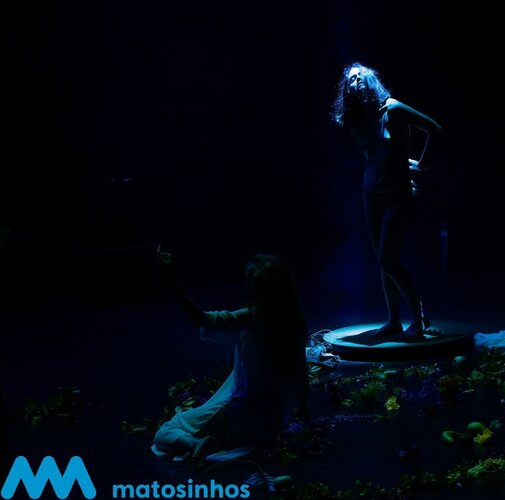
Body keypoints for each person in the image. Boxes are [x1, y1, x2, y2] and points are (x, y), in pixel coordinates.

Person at [151, 251, 309, 460]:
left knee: (164, 433)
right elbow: (301, 375)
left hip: (241, 409)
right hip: (271, 417)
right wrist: (303, 410)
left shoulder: (251, 318)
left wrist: (170, 281)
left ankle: (195, 443)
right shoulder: (294, 323)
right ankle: (210, 441)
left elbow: (200, 319)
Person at [331, 62, 442, 338]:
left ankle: (419, 317)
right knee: (383, 261)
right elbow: (375, 156)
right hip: (371, 195)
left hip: (398, 194)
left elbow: (434, 129)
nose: (354, 81)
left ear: (369, 80)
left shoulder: (392, 107)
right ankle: (393, 320)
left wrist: (419, 165)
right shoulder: (359, 122)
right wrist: (402, 161)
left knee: (388, 260)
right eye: (350, 80)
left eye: (359, 76)